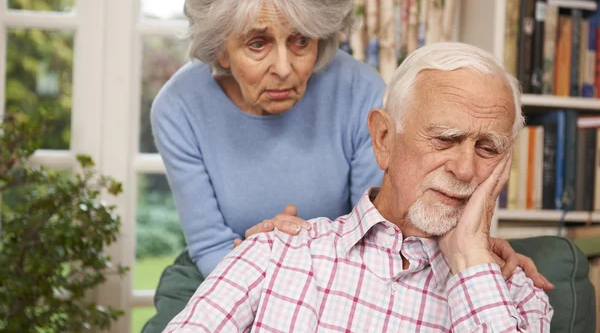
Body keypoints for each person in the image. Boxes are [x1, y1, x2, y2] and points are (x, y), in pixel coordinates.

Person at [145, 0, 550, 332]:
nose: (283, 67)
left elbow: (389, 217)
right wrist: (266, 261)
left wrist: (475, 255)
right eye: (257, 43)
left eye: (301, 41)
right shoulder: (178, 107)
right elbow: (208, 242)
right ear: (220, 49)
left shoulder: (357, 89)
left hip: (342, 255)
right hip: (229, 258)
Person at [162, 42, 553, 333]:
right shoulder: (274, 254)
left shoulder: (518, 297)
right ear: (383, 138)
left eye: (488, 149)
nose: (466, 169)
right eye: (445, 139)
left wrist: (472, 263)